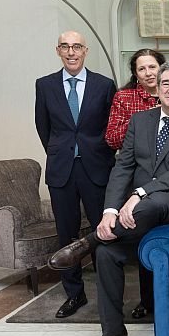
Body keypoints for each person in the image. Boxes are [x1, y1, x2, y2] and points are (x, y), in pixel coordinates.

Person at [47, 62, 169, 336]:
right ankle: (112, 333)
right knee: (107, 254)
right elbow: (123, 167)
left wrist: (139, 193)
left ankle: (86, 243)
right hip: (138, 213)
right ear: (157, 89)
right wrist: (110, 211)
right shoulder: (140, 121)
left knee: (154, 201)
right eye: (166, 84)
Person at [35, 30, 116, 319]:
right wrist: (62, 151)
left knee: (102, 232)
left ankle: (108, 294)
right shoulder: (44, 85)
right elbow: (43, 127)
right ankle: (74, 294)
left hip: (96, 168)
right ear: (58, 50)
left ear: (85, 51)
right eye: (66, 47)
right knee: (66, 233)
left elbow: (111, 127)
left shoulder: (104, 85)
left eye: (77, 47)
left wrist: (94, 152)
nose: (71, 52)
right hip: (62, 170)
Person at [105, 48, 166, 319]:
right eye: (142, 69)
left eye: (152, 67)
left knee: (158, 236)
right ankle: (145, 300)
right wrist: (142, 121)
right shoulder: (125, 97)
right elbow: (112, 138)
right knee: (137, 233)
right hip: (134, 177)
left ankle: (159, 299)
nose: (148, 73)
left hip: (164, 178)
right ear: (135, 73)